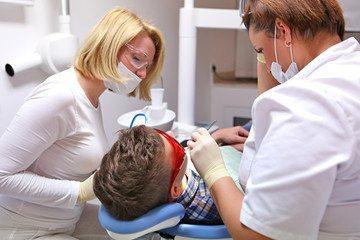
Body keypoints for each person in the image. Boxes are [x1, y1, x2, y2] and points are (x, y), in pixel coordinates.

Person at [188, 0, 360, 239]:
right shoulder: (350, 68)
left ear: (282, 30)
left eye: (260, 51)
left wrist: (214, 171)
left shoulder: (305, 108)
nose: (268, 66)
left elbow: (258, 236)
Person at [0, 7, 165, 239]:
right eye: (137, 59)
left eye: (147, 66)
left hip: (67, 217)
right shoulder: (60, 95)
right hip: (26, 227)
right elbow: (1, 176)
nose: (141, 74)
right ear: (108, 45)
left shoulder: (92, 98)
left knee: (146, 235)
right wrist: (78, 192)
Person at [93, 125, 243, 225]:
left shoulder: (165, 178)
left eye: (163, 134)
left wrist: (215, 138)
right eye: (177, 147)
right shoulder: (212, 203)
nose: (172, 134)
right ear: (175, 190)